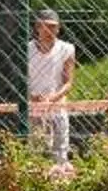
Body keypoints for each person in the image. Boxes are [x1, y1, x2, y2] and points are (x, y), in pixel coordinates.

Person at [28, 10, 77, 166]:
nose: (50, 30)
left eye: (54, 27)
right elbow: (21, 79)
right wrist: (32, 96)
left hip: (57, 104)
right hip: (34, 105)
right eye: (46, 26)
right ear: (38, 28)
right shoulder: (26, 49)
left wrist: (52, 99)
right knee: (36, 150)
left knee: (60, 151)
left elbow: (68, 82)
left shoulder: (67, 49)